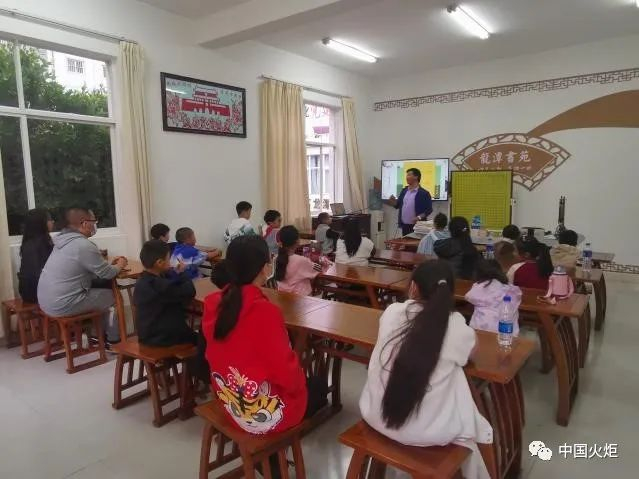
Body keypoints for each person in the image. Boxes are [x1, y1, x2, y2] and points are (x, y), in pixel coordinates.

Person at [359, 260, 492, 479]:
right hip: (429, 433)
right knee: (456, 372)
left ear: (413, 287)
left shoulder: (393, 312)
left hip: (376, 417)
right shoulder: (454, 323)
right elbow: (473, 352)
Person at [202, 235, 328, 437]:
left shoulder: (212, 302)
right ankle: (273, 450)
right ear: (264, 268)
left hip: (230, 402)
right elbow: (286, 372)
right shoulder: (265, 312)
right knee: (318, 386)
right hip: (265, 416)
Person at [37, 207, 127, 343]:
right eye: (94, 222)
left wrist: (106, 266)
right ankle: (114, 341)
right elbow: (107, 274)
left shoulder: (62, 241)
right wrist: (120, 264)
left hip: (46, 301)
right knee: (112, 297)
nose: (95, 225)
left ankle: (100, 334)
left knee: (101, 291)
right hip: (62, 304)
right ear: (85, 224)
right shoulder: (83, 245)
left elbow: (80, 269)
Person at [134, 240, 197, 346]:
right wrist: (183, 273)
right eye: (168, 259)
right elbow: (190, 291)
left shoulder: (143, 280)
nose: (170, 262)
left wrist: (170, 271)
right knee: (203, 340)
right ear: (159, 263)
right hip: (163, 337)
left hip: (147, 334)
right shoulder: (160, 286)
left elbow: (168, 283)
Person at [465, 259, 522, 335]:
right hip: (507, 333)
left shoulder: (478, 287)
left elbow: (468, 297)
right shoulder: (511, 290)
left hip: (479, 331)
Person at [18, 208, 54, 304]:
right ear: (41, 223)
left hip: (25, 292)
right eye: (49, 219)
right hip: (38, 292)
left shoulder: (27, 242)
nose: (52, 221)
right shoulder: (44, 242)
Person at [386, 167, 433, 236]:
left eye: (409, 175)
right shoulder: (404, 191)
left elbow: (429, 209)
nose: (406, 177)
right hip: (405, 226)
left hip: (418, 227)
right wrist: (392, 202)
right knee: (406, 243)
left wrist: (419, 217)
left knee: (416, 243)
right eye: (407, 175)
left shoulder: (424, 193)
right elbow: (397, 205)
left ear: (416, 177)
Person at [275, 226, 320, 296]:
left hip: (282, 296)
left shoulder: (277, 258)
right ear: (297, 241)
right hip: (301, 299)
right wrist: (319, 261)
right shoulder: (301, 260)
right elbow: (318, 269)